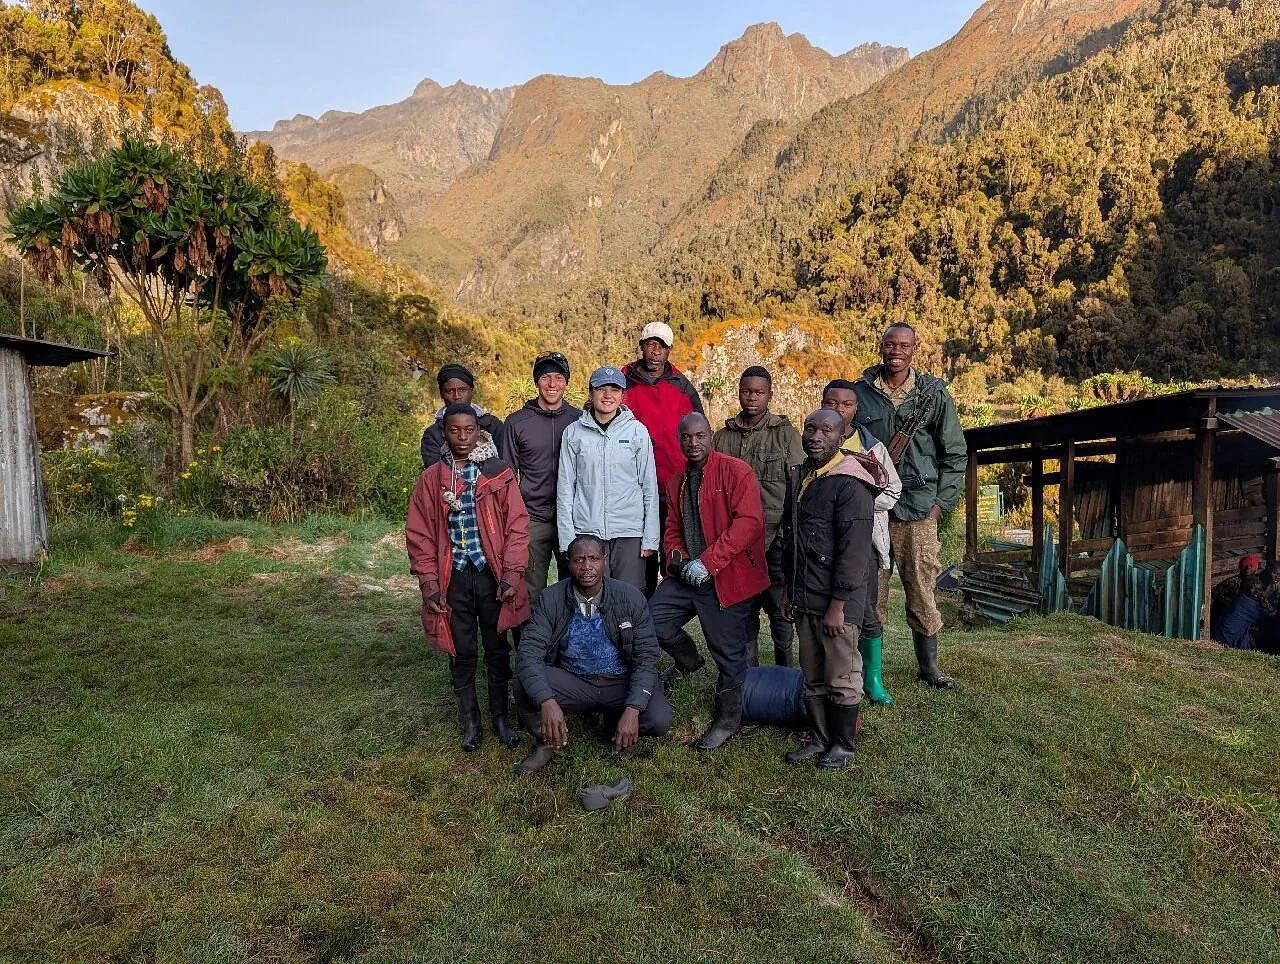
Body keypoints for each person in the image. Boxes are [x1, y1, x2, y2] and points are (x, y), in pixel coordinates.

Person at [407, 404, 530, 751]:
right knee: (461, 651)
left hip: (492, 575)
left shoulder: (498, 473)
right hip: (454, 577)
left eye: (469, 430)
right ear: (444, 433)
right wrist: (430, 584)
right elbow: (420, 535)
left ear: (480, 432)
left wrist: (512, 574)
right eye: (454, 430)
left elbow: (517, 527)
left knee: (496, 647)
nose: (463, 437)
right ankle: (471, 722)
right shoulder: (433, 479)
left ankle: (500, 718)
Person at [852, 323, 967, 689]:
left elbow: (955, 453)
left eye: (903, 345)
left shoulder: (933, 395)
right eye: (890, 344)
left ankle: (928, 667)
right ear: (881, 347)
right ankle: (871, 673)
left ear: (915, 349)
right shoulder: (861, 394)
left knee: (922, 590)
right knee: (872, 593)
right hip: (872, 509)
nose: (896, 351)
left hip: (918, 510)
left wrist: (939, 506)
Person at [650, 413, 770, 751]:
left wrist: (709, 562)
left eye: (700, 435)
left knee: (729, 654)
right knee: (653, 621)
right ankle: (690, 664)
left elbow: (749, 523)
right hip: (690, 575)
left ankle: (729, 719)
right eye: (686, 437)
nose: (694, 443)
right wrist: (679, 559)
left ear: (711, 435)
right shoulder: (677, 482)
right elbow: (672, 529)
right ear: (679, 440)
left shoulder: (735, 471)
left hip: (727, 575)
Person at [513, 535, 673, 776]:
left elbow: (647, 657)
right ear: (568, 563)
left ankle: (614, 721)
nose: (586, 566)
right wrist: (546, 701)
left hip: (620, 681)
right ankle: (546, 740)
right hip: (574, 680)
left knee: (659, 719)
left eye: (594, 559)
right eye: (578, 559)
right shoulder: (552, 598)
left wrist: (632, 709)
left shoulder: (630, 597)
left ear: (604, 561)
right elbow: (528, 653)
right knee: (526, 684)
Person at [780, 409, 884, 769]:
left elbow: (854, 553)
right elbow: (791, 540)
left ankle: (844, 744)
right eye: (810, 428)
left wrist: (838, 604)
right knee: (812, 674)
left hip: (837, 601)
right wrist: (788, 593)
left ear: (842, 438)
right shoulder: (804, 477)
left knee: (842, 675)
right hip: (805, 595)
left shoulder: (851, 484)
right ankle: (820, 737)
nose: (815, 436)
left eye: (826, 430)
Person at [712, 366, 805, 668]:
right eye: (746, 391)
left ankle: (785, 671)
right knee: (744, 609)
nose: (752, 397)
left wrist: (786, 536)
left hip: (775, 539)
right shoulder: (722, 438)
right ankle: (748, 675)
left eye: (759, 392)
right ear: (739, 392)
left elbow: (798, 487)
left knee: (780, 610)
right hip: (736, 544)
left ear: (769, 395)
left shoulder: (786, 436)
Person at [822, 378, 903, 706]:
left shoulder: (873, 447)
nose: (840, 410)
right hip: (822, 545)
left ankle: (872, 678)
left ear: (857, 408)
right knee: (823, 609)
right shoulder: (813, 441)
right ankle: (831, 673)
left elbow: (893, 492)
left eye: (847, 404)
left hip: (863, 544)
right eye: (832, 403)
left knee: (865, 609)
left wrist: (855, 501)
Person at [557, 366, 660, 593]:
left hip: (629, 532)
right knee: (590, 597)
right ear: (591, 392)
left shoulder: (637, 432)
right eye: (601, 389)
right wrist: (567, 538)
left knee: (628, 597)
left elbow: (649, 487)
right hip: (587, 531)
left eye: (614, 390)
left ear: (623, 395)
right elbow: (565, 488)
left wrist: (650, 538)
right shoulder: (573, 433)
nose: (607, 395)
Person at [622, 321, 704, 596]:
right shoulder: (621, 381)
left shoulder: (681, 386)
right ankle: (642, 606)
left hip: (674, 486)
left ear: (669, 351)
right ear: (642, 347)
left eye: (663, 346)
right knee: (640, 553)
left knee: (674, 547)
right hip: (633, 487)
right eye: (651, 345)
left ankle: (669, 609)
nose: (656, 351)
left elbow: (700, 431)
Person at [504, 351, 581, 607]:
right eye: (546, 377)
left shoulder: (580, 421)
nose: (551, 384)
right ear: (537, 381)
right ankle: (531, 644)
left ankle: (568, 644)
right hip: (532, 519)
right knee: (530, 591)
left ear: (566, 382)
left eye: (558, 377)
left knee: (573, 587)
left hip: (572, 519)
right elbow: (508, 475)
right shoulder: (517, 422)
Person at [420, 363, 505, 469]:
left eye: (462, 390)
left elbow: (504, 463)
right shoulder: (433, 434)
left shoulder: (492, 425)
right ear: (441, 394)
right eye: (450, 391)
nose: (456, 396)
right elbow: (434, 472)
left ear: (471, 391)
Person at [1211, 554, 1261, 641]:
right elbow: (1215, 592)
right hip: (1224, 616)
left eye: (1251, 566)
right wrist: (1231, 603)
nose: (1248, 568)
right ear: (1240, 567)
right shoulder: (1233, 581)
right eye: (1245, 565)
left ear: (1256, 569)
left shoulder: (1256, 584)